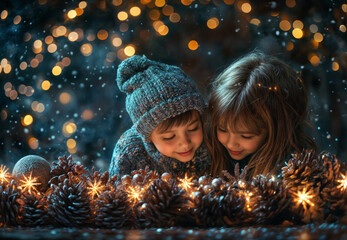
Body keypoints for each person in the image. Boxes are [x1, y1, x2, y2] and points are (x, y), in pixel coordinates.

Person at [205, 51, 316, 180]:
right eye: (222, 129)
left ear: (276, 129)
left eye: (246, 136)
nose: (231, 144)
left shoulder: (293, 171)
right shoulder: (206, 153)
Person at [109, 55, 210, 177]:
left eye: (193, 128)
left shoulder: (211, 139)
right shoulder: (130, 155)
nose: (185, 143)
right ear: (148, 137)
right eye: (169, 137)